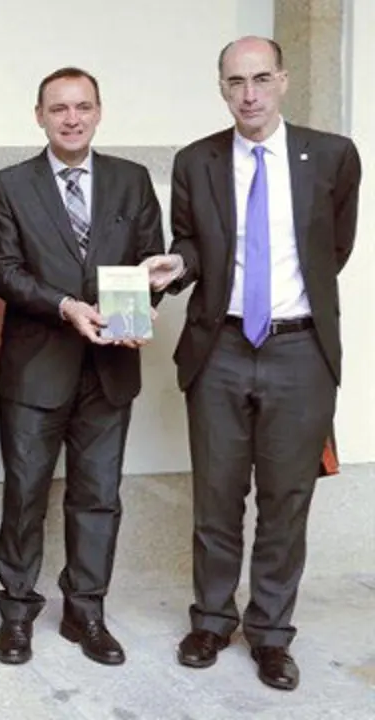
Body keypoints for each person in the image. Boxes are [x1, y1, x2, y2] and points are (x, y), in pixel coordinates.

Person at [142, 36, 361, 691]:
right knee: (216, 495)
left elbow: (334, 247)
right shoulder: (196, 160)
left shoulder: (332, 156)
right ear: (221, 88)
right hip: (221, 348)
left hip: (300, 351)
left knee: (286, 500)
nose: (249, 94)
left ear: (283, 81)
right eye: (236, 82)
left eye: (261, 78)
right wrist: (178, 264)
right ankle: (212, 620)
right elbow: (193, 243)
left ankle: (270, 634)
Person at [0, 67, 165, 668]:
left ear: (98, 112)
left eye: (82, 106)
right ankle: (16, 612)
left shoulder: (132, 180)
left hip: (110, 367)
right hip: (37, 368)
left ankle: (85, 611)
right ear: (39, 116)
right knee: (25, 495)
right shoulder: (9, 185)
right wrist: (65, 305)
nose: (71, 118)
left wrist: (151, 295)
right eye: (58, 108)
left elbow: (150, 262)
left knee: (99, 497)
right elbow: (3, 270)